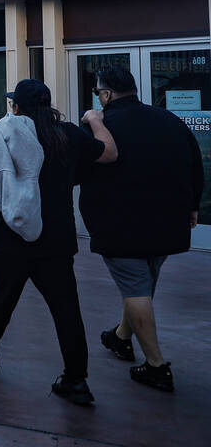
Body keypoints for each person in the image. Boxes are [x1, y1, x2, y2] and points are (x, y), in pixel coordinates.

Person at [0, 79, 118, 407]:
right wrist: (97, 122)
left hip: (12, 237)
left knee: (0, 298)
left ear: (17, 107)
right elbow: (109, 153)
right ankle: (76, 380)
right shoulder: (69, 135)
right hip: (56, 238)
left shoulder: (8, 133)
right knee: (66, 310)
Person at [80, 66, 203, 394]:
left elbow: (84, 170)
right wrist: (193, 207)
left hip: (121, 225)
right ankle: (121, 338)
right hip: (168, 223)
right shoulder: (169, 121)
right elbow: (195, 163)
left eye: (98, 94)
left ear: (105, 95)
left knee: (135, 288)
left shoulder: (103, 127)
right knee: (141, 285)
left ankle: (156, 366)